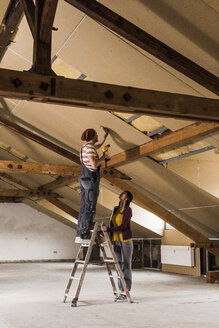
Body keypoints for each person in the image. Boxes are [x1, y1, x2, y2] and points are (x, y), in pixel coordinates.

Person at [75, 126, 109, 243]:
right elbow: (94, 165)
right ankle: (84, 236)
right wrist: (104, 157)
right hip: (90, 180)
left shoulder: (85, 147)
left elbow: (98, 145)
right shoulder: (90, 149)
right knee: (89, 208)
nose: (98, 136)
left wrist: (106, 135)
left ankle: (79, 234)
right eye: (97, 135)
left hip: (84, 179)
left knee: (84, 206)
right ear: (93, 136)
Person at [102, 190, 133, 300]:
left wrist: (109, 229)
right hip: (116, 240)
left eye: (124, 193)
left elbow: (124, 226)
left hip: (126, 241)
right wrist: (109, 234)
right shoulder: (115, 209)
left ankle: (126, 290)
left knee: (126, 265)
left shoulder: (128, 210)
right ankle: (120, 290)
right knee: (118, 265)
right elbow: (112, 223)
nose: (121, 194)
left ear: (127, 198)